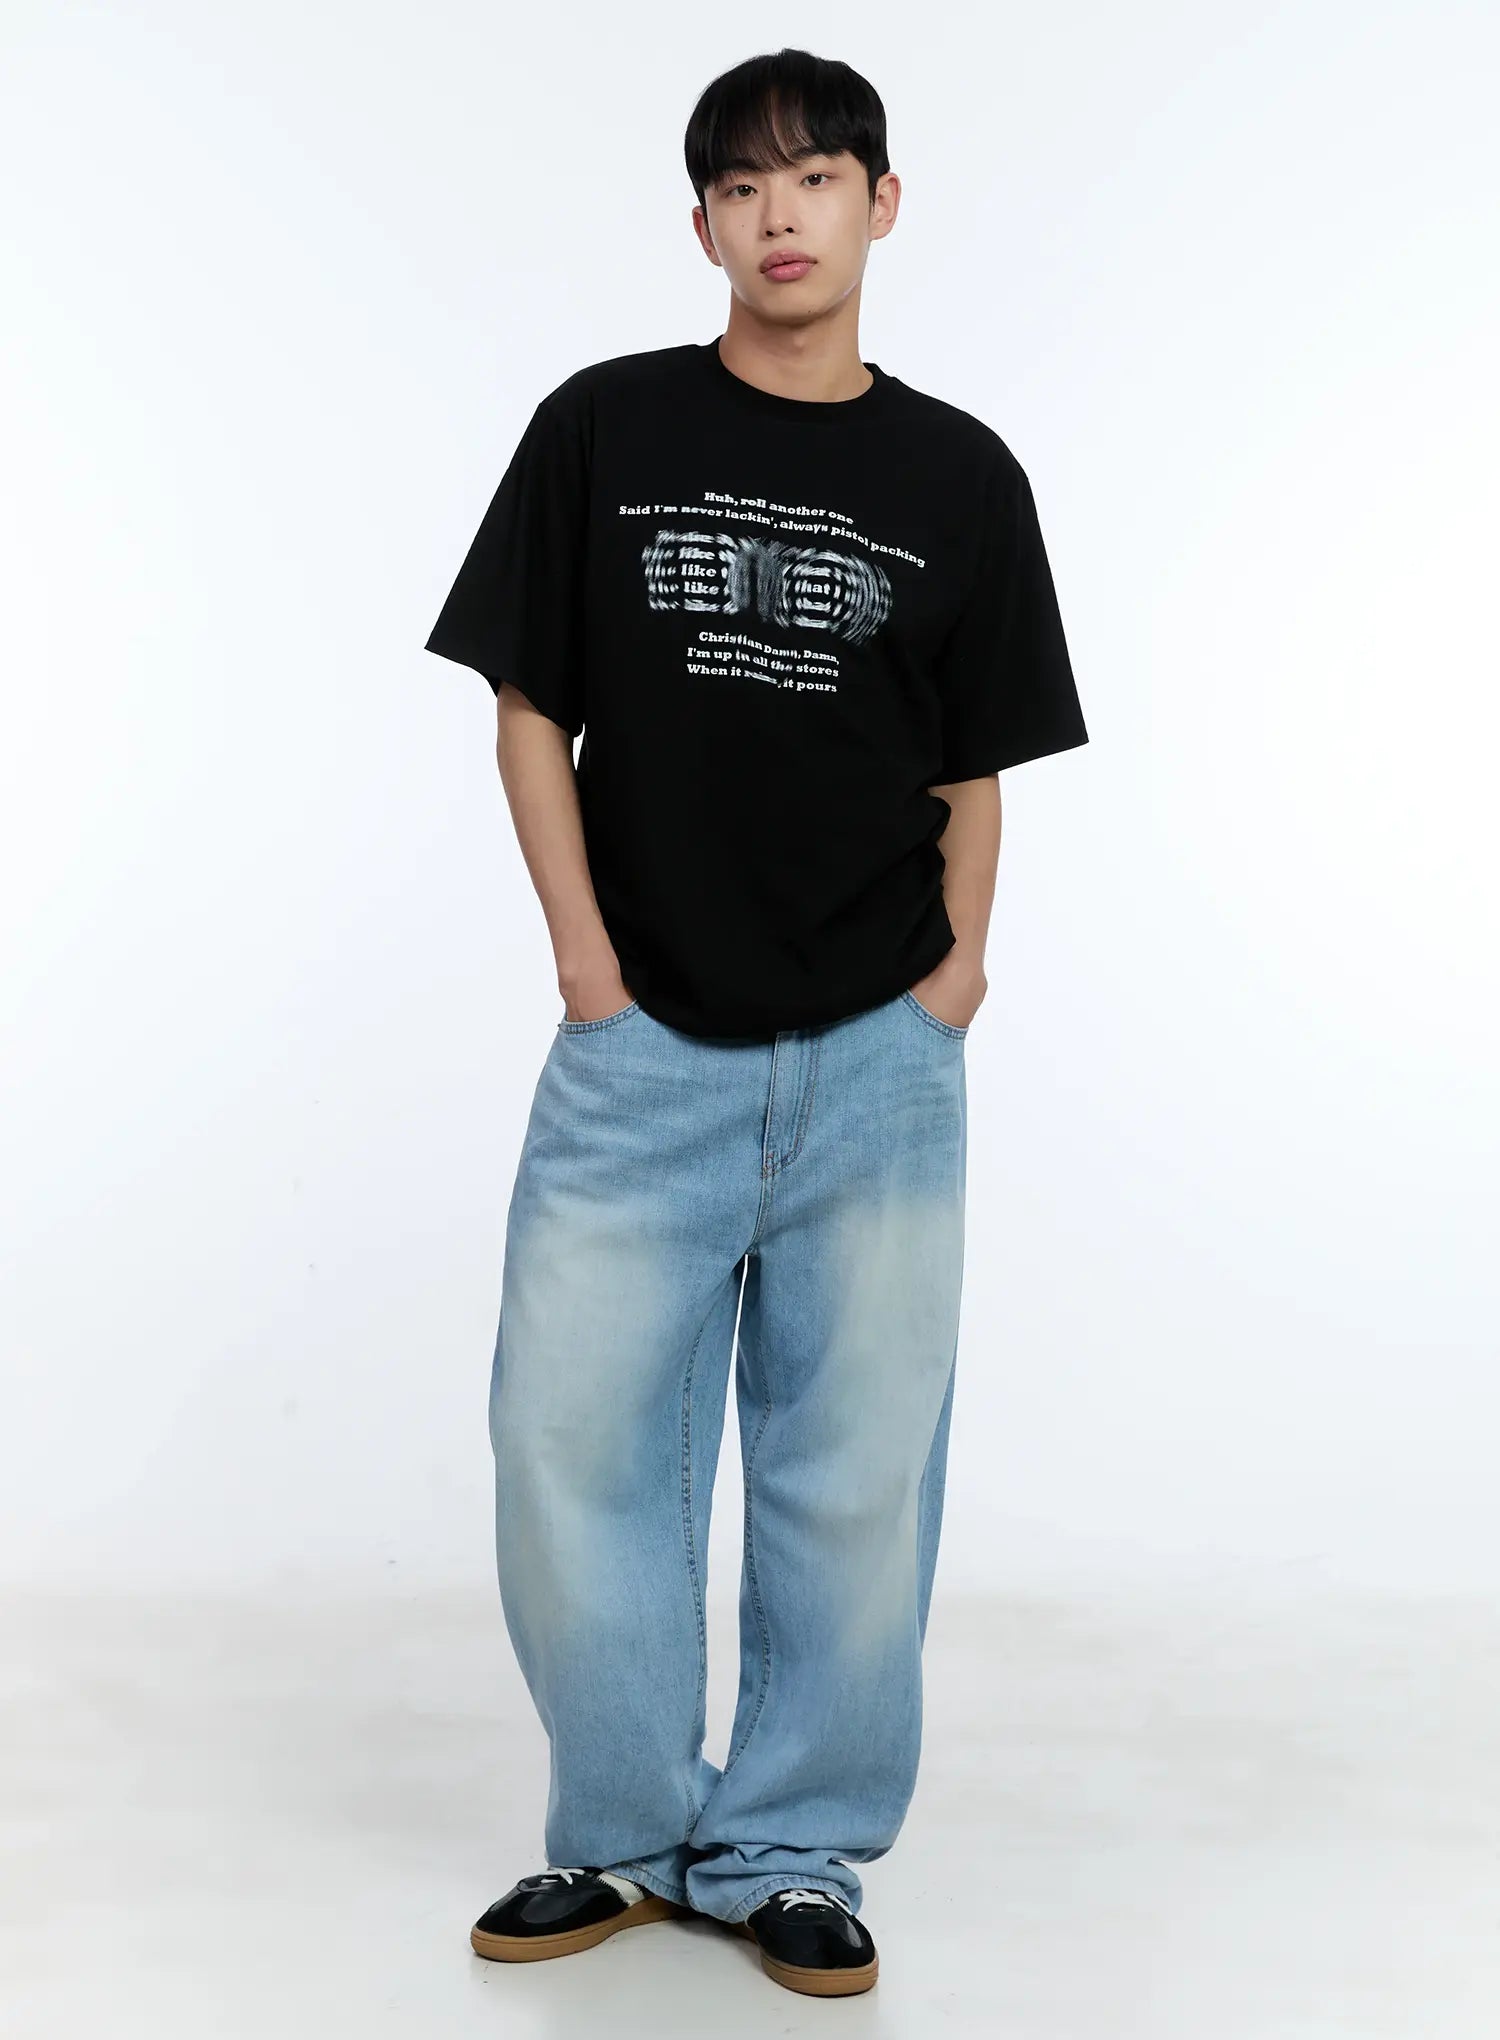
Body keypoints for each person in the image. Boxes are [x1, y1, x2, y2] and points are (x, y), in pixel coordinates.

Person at [422, 46, 1088, 2000]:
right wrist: (585, 960)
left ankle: (791, 1849)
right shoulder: (605, 427)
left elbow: (975, 768)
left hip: (879, 1054)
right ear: (703, 221)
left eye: (814, 177)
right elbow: (528, 707)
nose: (778, 214)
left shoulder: (962, 477)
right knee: (570, 1450)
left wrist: (955, 980)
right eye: (739, 185)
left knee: (855, 1474)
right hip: (641, 1050)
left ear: (884, 203)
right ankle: (629, 1837)